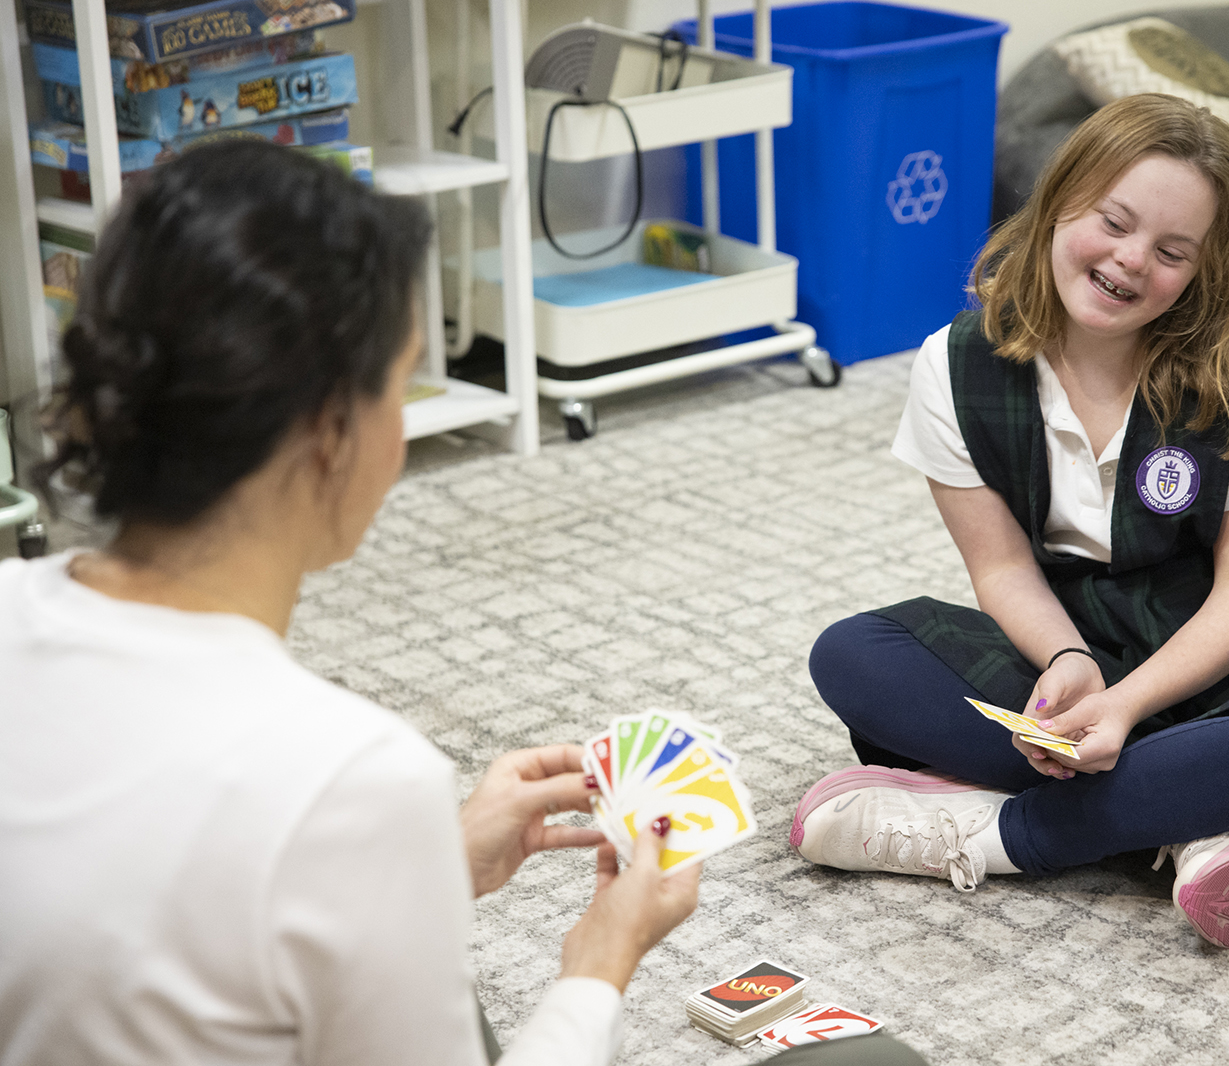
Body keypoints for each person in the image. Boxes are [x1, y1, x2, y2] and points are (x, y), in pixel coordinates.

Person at [0, 142, 927, 1066]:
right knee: (866, 1062)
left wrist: (428, 869)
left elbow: (161, 912)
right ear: (330, 430)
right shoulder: (346, 775)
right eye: (401, 381)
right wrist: (600, 958)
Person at [791, 94, 1229, 948]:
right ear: (1061, 198)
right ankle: (1210, 800)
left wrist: (1130, 704)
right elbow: (1000, 570)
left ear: (1203, 273)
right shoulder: (950, 365)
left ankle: (1017, 836)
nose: (1129, 260)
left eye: (1171, 251)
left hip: (1223, 625)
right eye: (1113, 221)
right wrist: (1070, 664)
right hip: (1073, 629)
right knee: (855, 656)